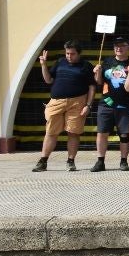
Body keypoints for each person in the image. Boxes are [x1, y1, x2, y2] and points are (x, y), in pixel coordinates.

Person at [32, 40, 95, 172]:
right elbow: (48, 79)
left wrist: (88, 105)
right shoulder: (60, 62)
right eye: (67, 53)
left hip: (77, 102)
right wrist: (43, 65)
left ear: (79, 54)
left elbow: (92, 87)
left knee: (73, 132)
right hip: (56, 102)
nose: (69, 56)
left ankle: (70, 161)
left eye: (72, 54)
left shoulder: (86, 66)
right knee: (51, 132)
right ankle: (43, 161)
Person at [92, 36, 129, 172]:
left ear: (128, 47)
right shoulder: (107, 61)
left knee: (124, 134)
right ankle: (100, 161)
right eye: (116, 45)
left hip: (125, 104)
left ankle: (123, 161)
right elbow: (99, 82)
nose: (118, 48)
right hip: (107, 102)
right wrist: (97, 73)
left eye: (122, 45)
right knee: (102, 132)